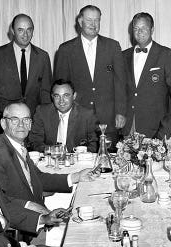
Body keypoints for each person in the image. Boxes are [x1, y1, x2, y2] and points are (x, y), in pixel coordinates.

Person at [0, 102, 94, 207]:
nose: (21, 125)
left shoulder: (17, 146)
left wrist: (77, 176)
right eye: (15, 119)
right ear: (3, 123)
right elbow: (2, 202)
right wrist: (41, 216)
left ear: (30, 125)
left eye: (26, 120)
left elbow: (37, 178)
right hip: (23, 220)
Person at [54, 5, 126, 143]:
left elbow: (120, 83)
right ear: (80, 22)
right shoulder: (65, 50)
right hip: (78, 118)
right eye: (89, 20)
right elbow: (60, 87)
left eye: (97, 20)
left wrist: (121, 112)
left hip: (108, 119)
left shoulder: (113, 46)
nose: (93, 24)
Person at [0, 14, 52, 140]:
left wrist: (41, 122)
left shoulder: (42, 57)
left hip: (33, 127)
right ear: (12, 31)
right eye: (20, 30)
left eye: (29, 30)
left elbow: (45, 93)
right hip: (3, 127)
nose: (25, 34)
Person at [122, 12, 171, 138]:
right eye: (136, 28)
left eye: (144, 28)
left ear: (152, 29)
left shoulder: (166, 54)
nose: (139, 32)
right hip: (128, 125)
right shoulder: (123, 56)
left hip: (156, 126)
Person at [29, 79, 99, 153]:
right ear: (52, 97)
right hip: (50, 160)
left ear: (74, 96)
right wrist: (52, 150)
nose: (61, 101)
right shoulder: (42, 112)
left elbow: (94, 144)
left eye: (66, 95)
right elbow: (35, 141)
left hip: (77, 160)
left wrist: (80, 152)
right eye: (57, 96)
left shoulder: (87, 115)